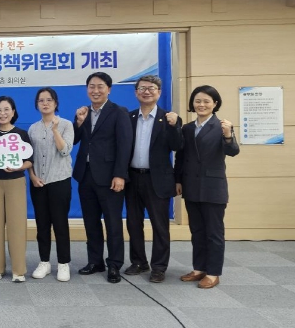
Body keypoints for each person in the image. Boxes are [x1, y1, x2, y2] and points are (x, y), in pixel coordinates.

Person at [175, 85, 239, 289]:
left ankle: (213, 273)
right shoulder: (187, 128)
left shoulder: (222, 126)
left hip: (213, 187)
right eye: (197, 101)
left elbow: (233, 151)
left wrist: (228, 135)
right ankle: (199, 268)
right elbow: (181, 157)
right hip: (191, 186)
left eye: (206, 101)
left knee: (214, 232)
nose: (201, 104)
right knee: (197, 231)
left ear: (215, 104)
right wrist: (178, 180)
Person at [72, 72, 132, 284]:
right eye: (91, 86)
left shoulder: (119, 112)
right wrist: (78, 122)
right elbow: (74, 140)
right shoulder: (83, 112)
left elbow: (125, 145)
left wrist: (120, 175)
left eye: (100, 86)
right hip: (85, 175)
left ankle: (114, 264)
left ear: (109, 89)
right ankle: (95, 261)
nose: (95, 90)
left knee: (112, 222)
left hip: (109, 177)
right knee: (91, 222)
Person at [124, 75, 183, 283]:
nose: (146, 91)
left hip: (157, 180)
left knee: (160, 226)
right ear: (136, 92)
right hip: (132, 178)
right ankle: (139, 261)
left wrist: (175, 126)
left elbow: (178, 146)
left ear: (159, 92)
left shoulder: (169, 118)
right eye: (142, 88)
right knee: (133, 223)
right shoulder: (129, 117)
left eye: (151, 88)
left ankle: (159, 267)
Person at [0, 96, 33, 283]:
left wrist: (18, 167)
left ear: (13, 112)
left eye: (6, 109)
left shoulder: (21, 134)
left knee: (17, 226)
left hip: (15, 182)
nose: (2, 113)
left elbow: (30, 161)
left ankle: (18, 270)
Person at [28, 87, 74, 282]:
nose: (45, 103)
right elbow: (28, 157)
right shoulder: (32, 129)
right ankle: (44, 262)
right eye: (41, 100)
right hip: (38, 183)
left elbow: (65, 151)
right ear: (37, 104)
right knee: (42, 224)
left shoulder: (66, 125)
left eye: (49, 100)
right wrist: (32, 176)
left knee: (60, 223)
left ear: (55, 103)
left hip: (59, 181)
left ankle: (63, 263)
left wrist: (55, 130)